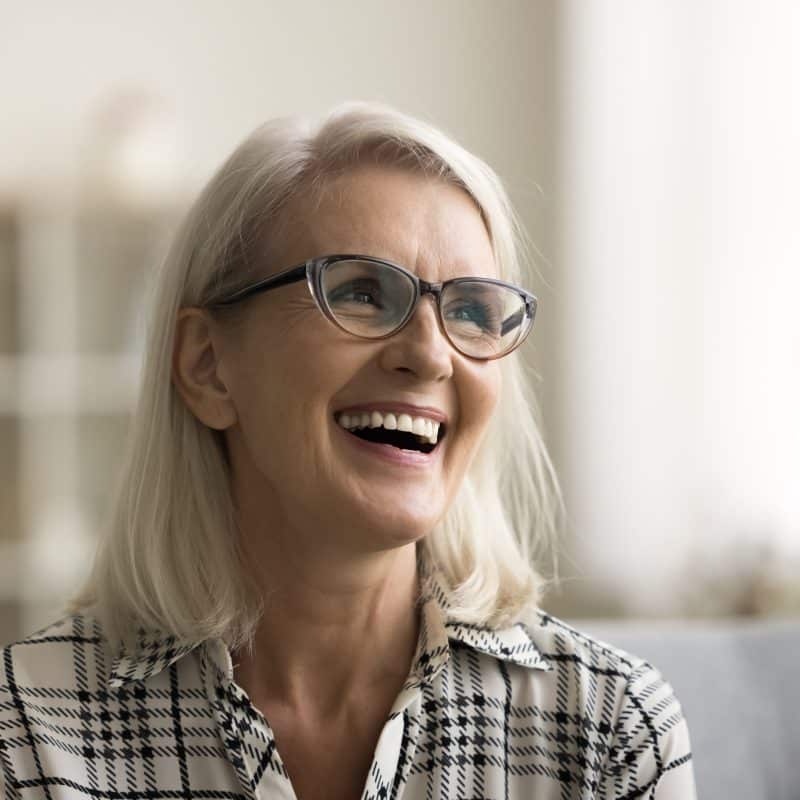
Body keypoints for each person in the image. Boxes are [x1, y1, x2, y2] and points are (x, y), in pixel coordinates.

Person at [0, 102, 696, 799]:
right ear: (208, 365)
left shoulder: (609, 730)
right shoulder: (26, 733)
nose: (431, 355)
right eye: (361, 292)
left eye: (473, 312)